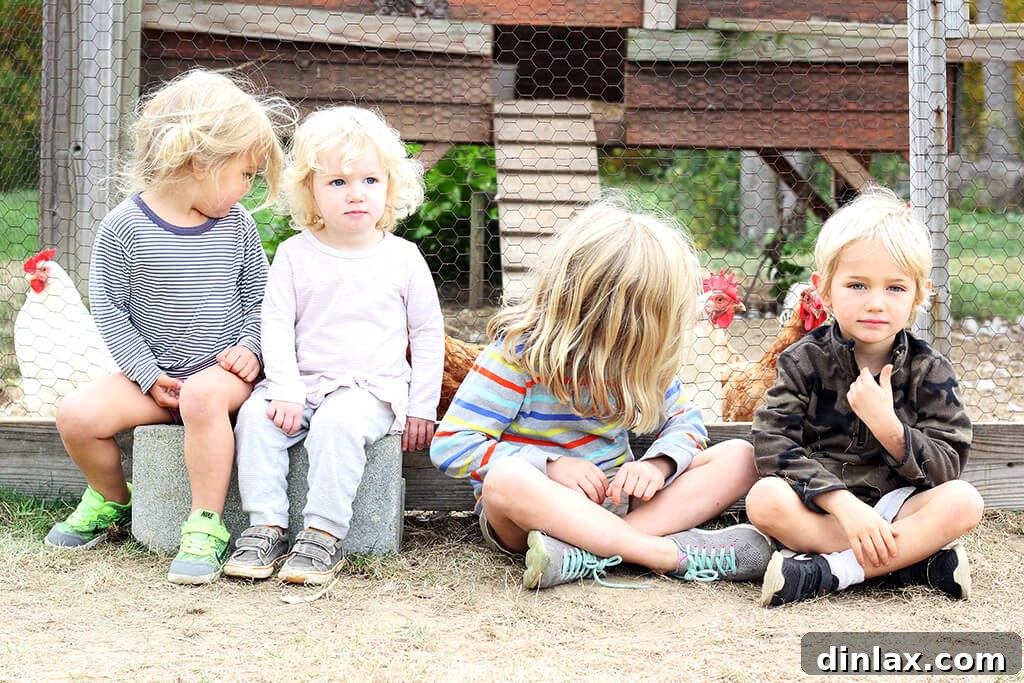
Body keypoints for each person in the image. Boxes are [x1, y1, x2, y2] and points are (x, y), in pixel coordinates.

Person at [430, 197, 772, 590]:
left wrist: (656, 466)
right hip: (534, 516)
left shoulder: (644, 361)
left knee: (741, 456)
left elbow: (686, 422)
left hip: (615, 501)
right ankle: (661, 553)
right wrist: (550, 466)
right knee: (505, 480)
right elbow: (452, 445)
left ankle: (586, 553)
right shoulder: (518, 357)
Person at [45, 69, 295, 584]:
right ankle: (112, 499)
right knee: (76, 414)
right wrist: (144, 374)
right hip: (157, 380)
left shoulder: (237, 226)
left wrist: (251, 348)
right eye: (244, 173)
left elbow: (261, 299)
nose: (248, 188)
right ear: (199, 160)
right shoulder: (123, 226)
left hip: (223, 376)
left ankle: (205, 523)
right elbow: (111, 309)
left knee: (204, 397)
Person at [223, 106, 444, 586]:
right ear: (310, 191)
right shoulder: (294, 254)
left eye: (369, 180)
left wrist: (422, 406)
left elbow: (427, 334)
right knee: (256, 420)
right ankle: (264, 527)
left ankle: (322, 535)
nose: (355, 194)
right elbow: (275, 324)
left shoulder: (403, 259)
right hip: (300, 383)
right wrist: (282, 387)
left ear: (390, 185)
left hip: (370, 389)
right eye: (337, 183)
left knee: (338, 426)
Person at [747, 186, 984, 607]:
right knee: (764, 499)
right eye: (857, 285)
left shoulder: (931, 371)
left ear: (919, 295)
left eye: (894, 288)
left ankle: (830, 572)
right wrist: (841, 503)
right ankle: (911, 565)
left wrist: (889, 428)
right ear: (824, 289)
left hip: (898, 506)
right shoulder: (802, 361)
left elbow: (948, 465)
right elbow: (772, 442)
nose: (875, 303)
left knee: (964, 501)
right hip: (823, 507)